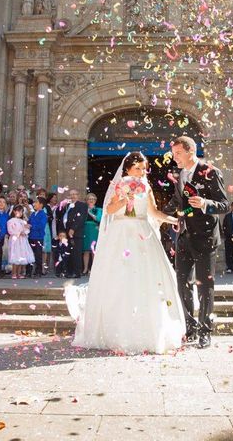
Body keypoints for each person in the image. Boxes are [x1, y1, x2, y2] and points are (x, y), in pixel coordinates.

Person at [65, 151, 185, 354]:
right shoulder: (118, 185)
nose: (140, 172)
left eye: (143, 168)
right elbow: (110, 210)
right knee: (119, 278)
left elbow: (153, 212)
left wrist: (174, 220)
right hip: (120, 234)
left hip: (142, 232)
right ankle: (116, 329)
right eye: (137, 168)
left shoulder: (145, 186)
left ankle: (149, 329)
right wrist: (125, 198)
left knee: (145, 279)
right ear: (127, 168)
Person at [163, 137, 230, 349]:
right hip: (183, 237)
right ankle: (190, 327)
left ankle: (205, 331)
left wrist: (204, 203)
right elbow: (177, 202)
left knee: (205, 286)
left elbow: (225, 204)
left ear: (190, 151)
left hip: (205, 238)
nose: (175, 158)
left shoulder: (210, 171)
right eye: (173, 154)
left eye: (178, 154)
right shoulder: (180, 174)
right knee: (181, 283)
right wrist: (155, 213)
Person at [56, 189, 88, 278]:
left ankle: (76, 272)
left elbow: (80, 218)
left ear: (78, 195)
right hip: (66, 233)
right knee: (68, 253)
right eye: (71, 195)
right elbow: (61, 217)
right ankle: (69, 272)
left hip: (76, 233)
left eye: (75, 194)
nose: (73, 196)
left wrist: (73, 229)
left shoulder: (82, 205)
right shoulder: (67, 206)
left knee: (76, 253)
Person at [8, 205, 34, 279]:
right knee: (15, 256)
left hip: (22, 240)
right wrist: (19, 232)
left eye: (21, 211)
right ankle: (14, 273)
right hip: (15, 240)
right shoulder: (10, 221)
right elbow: (10, 231)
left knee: (21, 256)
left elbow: (27, 230)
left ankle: (19, 273)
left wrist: (25, 231)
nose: (19, 213)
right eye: (18, 211)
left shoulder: (23, 221)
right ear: (14, 211)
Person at [82, 193, 103, 275]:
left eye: (93, 199)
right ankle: (85, 269)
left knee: (93, 250)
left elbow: (98, 219)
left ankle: (93, 269)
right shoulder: (83, 209)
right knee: (86, 251)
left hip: (94, 230)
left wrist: (90, 212)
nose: (91, 200)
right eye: (89, 199)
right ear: (86, 200)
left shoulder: (98, 209)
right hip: (85, 229)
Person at [28, 196, 48, 277]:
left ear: (41, 205)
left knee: (38, 255)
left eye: (36, 202)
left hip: (38, 237)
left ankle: (38, 271)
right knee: (30, 254)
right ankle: (28, 271)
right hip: (31, 236)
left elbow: (41, 225)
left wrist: (31, 226)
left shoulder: (43, 214)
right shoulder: (33, 214)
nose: (34, 204)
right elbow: (29, 221)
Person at [43, 192, 57, 275]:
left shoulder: (58, 207)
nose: (55, 199)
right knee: (46, 248)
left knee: (51, 249)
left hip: (54, 228)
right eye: (53, 197)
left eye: (55, 197)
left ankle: (49, 266)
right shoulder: (46, 207)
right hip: (48, 228)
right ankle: (45, 267)